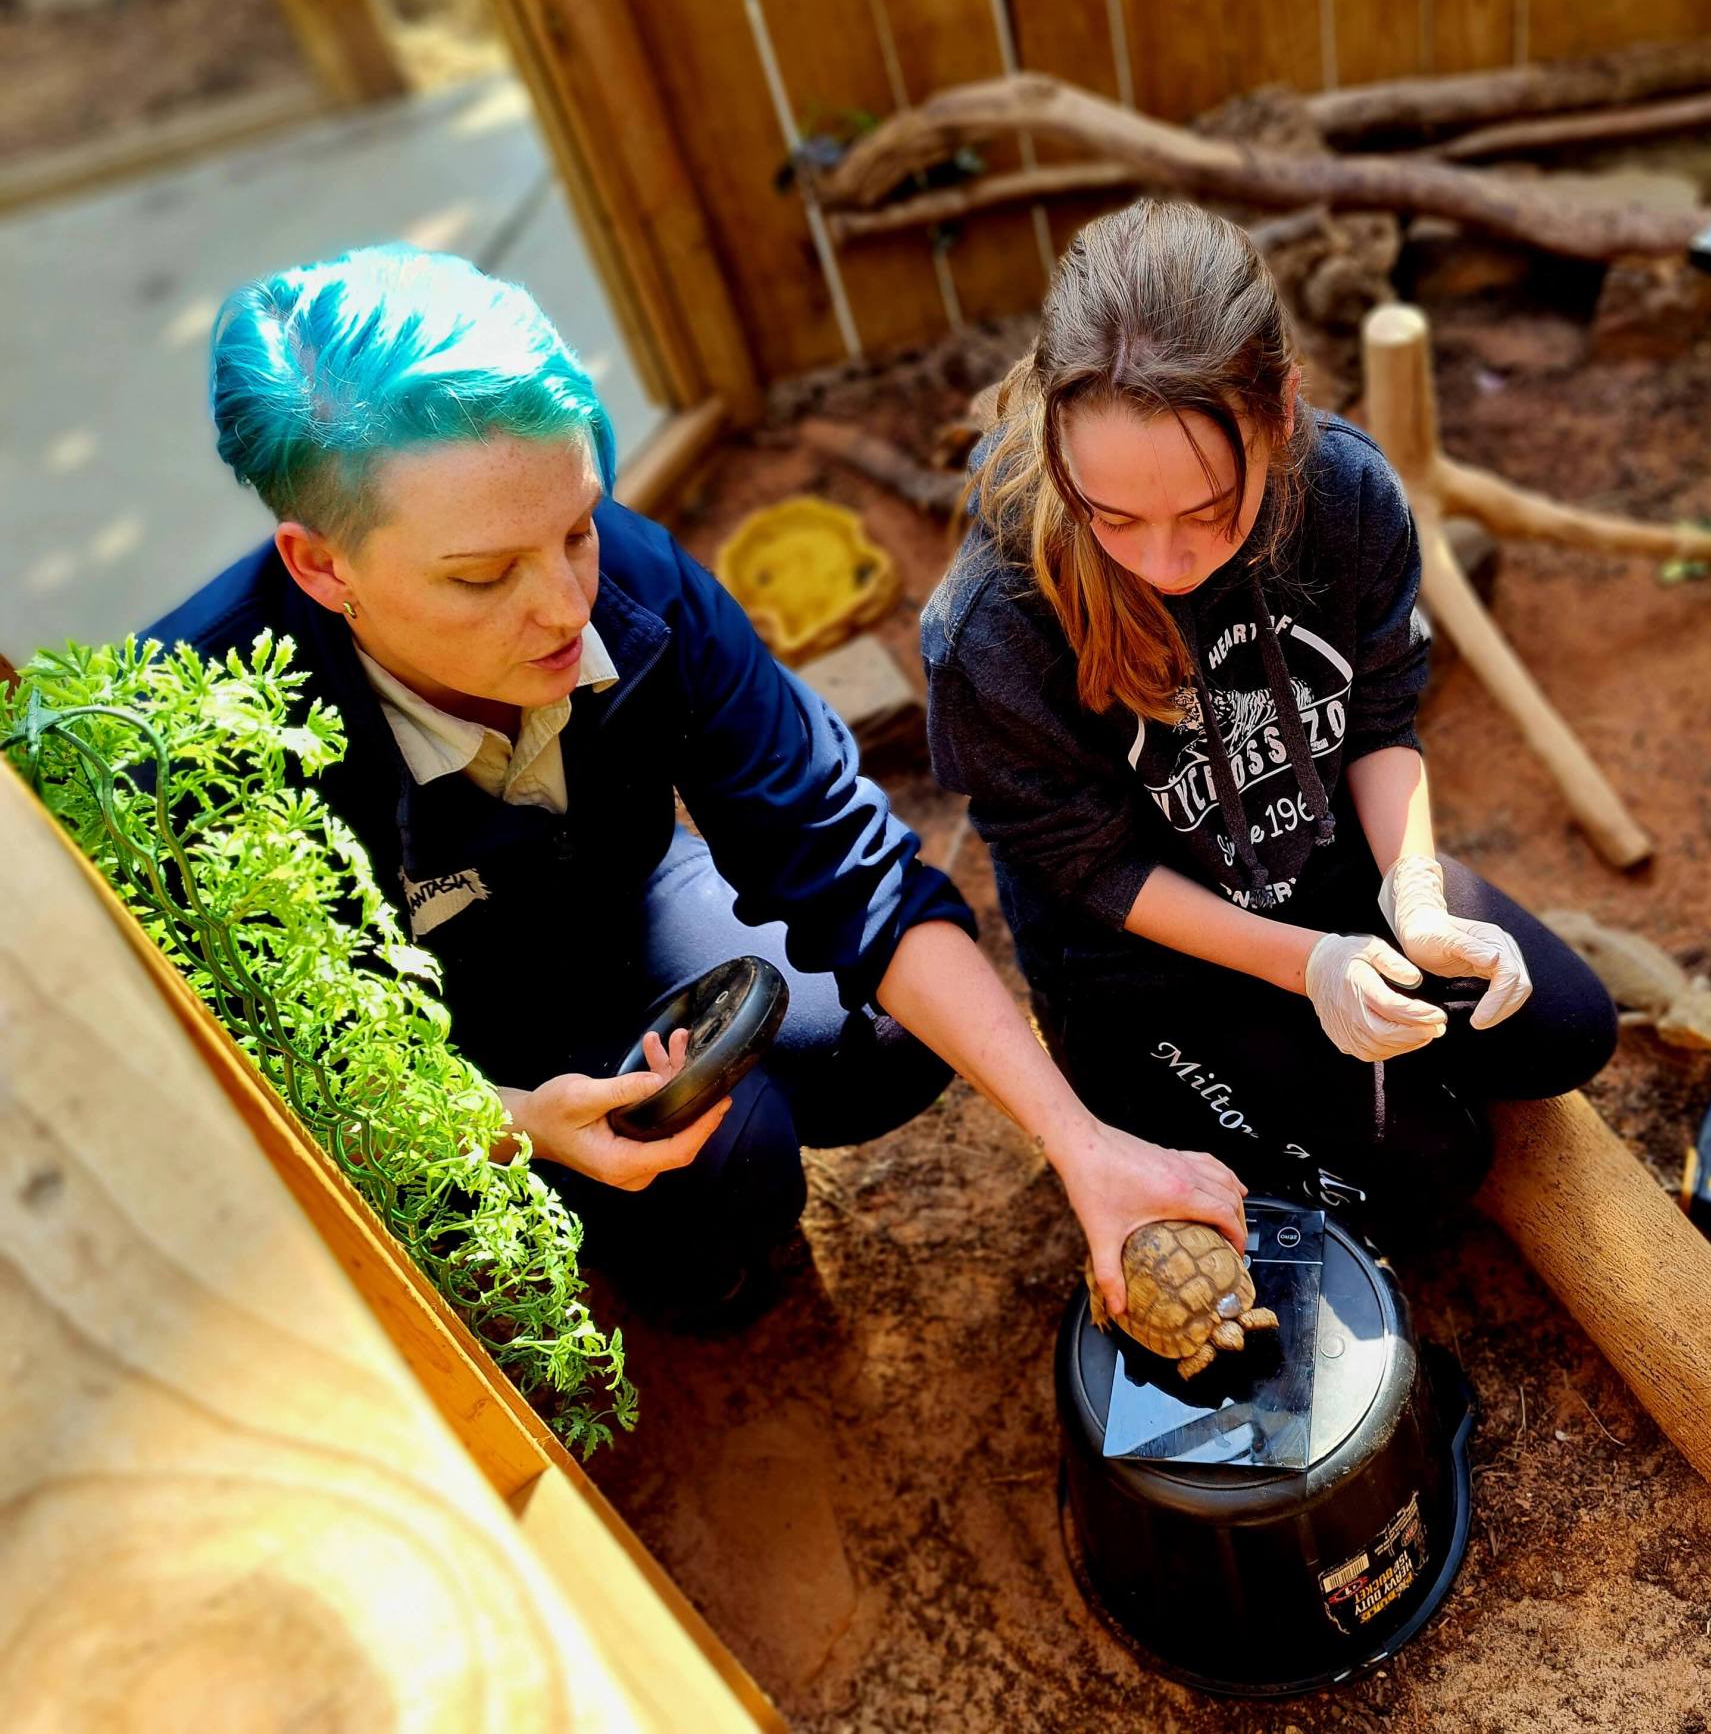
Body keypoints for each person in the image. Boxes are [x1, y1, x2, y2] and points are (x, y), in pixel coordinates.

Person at [145, 244, 1243, 1323]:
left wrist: (1078, 1143)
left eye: (575, 526)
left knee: (893, 1035)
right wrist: (519, 1122)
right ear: (320, 565)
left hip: (620, 906)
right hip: (443, 1048)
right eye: (481, 577)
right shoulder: (202, 747)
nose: (569, 606)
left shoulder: (638, 579)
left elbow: (845, 859)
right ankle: (696, 1285)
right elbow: (275, 1084)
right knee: (721, 1163)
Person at [923, 201, 1617, 1232]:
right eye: (1113, 517)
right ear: (1061, 439)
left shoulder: (1345, 497)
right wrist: (1308, 967)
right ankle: (1164, 1093)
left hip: (1325, 875)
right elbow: (1091, 871)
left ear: (1281, 412)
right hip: (1147, 970)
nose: (1163, 562)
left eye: (1208, 511)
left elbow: (1381, 723)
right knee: (1435, 1175)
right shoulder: (994, 622)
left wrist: (1415, 897)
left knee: (1568, 1032)